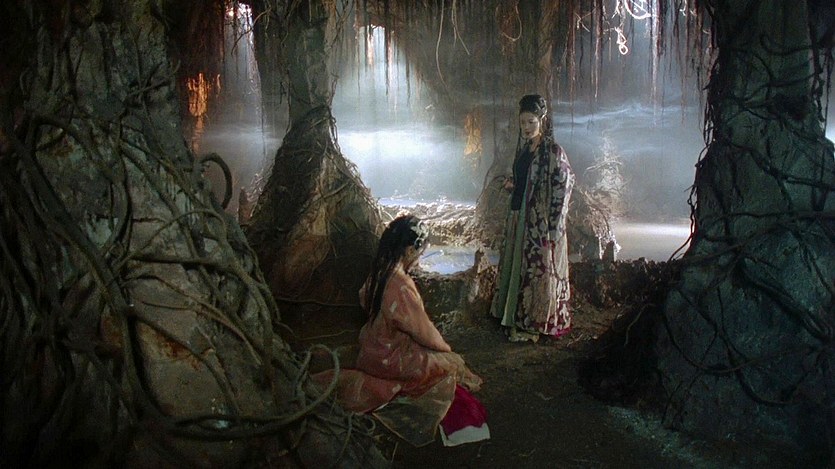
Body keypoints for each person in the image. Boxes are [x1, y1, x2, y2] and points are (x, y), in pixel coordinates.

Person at [314, 215, 487, 447]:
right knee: (450, 364)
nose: (418, 259)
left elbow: (365, 301)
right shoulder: (402, 285)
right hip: (390, 358)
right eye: (418, 253)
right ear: (409, 250)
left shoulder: (379, 272)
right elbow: (424, 332)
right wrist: (445, 349)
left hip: (372, 349)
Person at [490, 94, 575, 343]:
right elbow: (525, 180)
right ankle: (514, 316)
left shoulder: (553, 152)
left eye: (531, 122)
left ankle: (536, 322)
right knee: (518, 266)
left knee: (539, 271)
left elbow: (564, 185)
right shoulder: (525, 150)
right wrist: (513, 186)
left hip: (539, 224)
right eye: (523, 122)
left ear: (542, 120)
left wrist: (554, 224)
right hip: (519, 217)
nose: (526, 127)